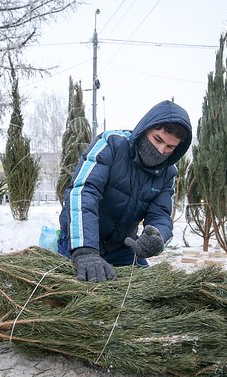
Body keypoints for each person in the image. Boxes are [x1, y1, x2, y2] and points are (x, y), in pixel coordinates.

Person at [57, 100, 192, 282]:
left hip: (122, 246)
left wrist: (157, 237)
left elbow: (161, 214)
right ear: (145, 129)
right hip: (79, 241)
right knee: (71, 297)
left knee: (148, 296)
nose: (161, 151)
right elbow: (83, 192)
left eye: (170, 147)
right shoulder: (111, 144)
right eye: (158, 140)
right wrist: (85, 251)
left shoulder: (168, 172)